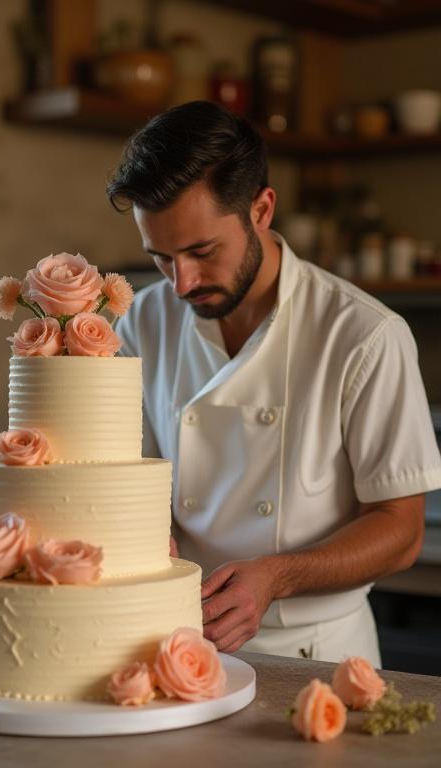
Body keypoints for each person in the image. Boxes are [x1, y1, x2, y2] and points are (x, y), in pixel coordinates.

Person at [106, 100, 441, 665]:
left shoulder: (364, 334)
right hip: (174, 641)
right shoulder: (143, 319)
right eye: (161, 257)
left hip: (316, 654)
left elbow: (401, 530)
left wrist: (276, 577)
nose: (182, 283)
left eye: (202, 251)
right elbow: (131, 473)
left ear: (261, 209)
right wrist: (144, 533)